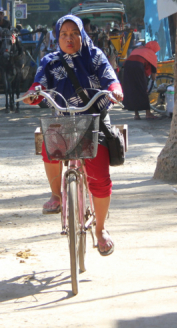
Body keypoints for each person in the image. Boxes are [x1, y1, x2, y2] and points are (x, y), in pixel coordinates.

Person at [23, 15, 123, 256]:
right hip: (63, 121)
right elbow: (38, 85)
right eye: (63, 34)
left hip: (93, 121)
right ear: (57, 37)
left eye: (74, 33)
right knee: (49, 145)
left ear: (82, 35)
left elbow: (111, 80)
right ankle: (56, 195)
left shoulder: (95, 56)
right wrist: (34, 93)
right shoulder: (49, 61)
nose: (69, 38)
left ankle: (100, 230)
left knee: (99, 179)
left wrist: (115, 91)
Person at [121, 41, 160, 119]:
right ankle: (148, 114)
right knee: (142, 89)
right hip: (138, 66)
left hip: (127, 66)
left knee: (133, 89)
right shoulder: (151, 54)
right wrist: (153, 79)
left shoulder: (138, 48)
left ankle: (136, 115)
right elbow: (153, 74)